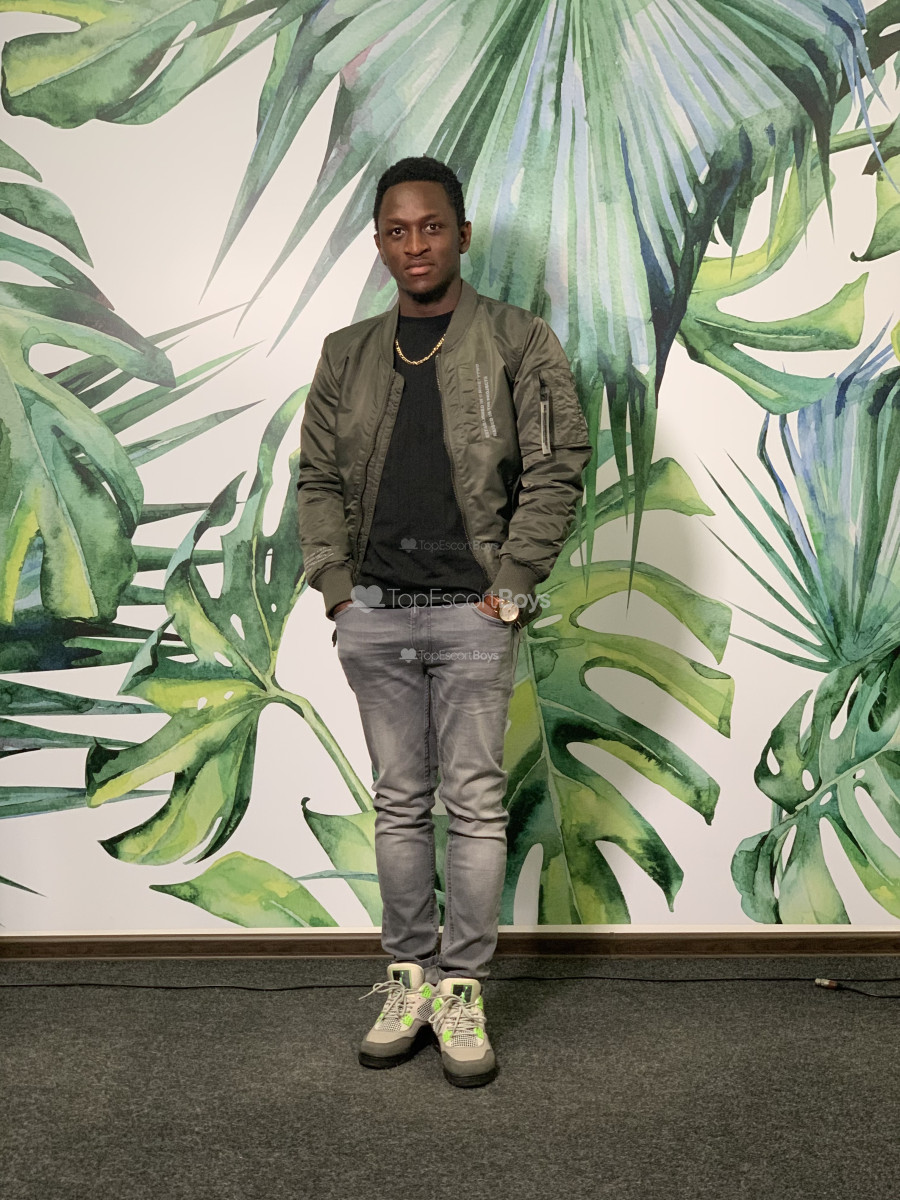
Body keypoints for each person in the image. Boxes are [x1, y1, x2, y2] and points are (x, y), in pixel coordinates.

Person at [297, 155, 591, 1087]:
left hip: (474, 616)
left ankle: (461, 990)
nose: (414, 244)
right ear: (379, 244)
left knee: (473, 806)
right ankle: (408, 979)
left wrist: (512, 585)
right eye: (397, 230)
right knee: (397, 804)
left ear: (461, 235)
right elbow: (317, 477)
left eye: (431, 227)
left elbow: (558, 465)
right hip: (375, 615)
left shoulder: (518, 340)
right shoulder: (346, 353)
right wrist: (337, 589)